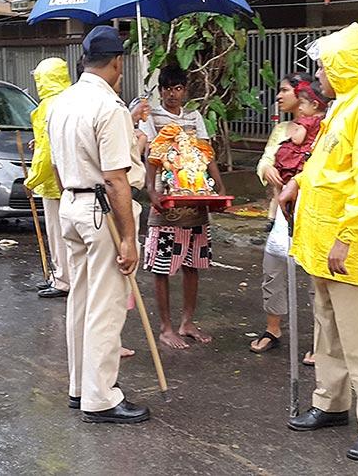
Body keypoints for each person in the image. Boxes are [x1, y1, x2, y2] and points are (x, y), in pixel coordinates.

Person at [279, 22, 358, 461]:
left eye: (325, 67)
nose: (319, 76)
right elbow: (329, 166)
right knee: (327, 331)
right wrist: (298, 182)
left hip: (349, 247)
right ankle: (330, 403)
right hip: (322, 243)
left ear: (342, 67)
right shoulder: (345, 108)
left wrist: (347, 238)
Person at [47, 25, 150, 424]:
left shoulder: (62, 102)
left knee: (81, 300)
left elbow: (56, 165)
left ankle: (80, 388)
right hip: (101, 209)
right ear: (117, 63)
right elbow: (116, 177)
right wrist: (128, 237)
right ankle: (101, 397)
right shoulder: (109, 108)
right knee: (105, 308)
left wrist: (74, 197)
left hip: (72, 203)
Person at [141, 64, 226, 350]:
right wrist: (150, 189)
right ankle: (165, 327)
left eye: (177, 88)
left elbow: (206, 152)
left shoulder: (194, 116)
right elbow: (150, 154)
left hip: (196, 198)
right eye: (167, 88)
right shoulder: (150, 115)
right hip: (166, 202)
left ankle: (187, 322)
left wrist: (220, 186)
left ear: (185, 91)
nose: (172, 94)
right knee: (162, 267)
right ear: (161, 90)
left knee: (193, 265)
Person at [250, 73, 322, 359]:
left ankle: (322, 341)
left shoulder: (323, 129)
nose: (278, 96)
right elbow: (266, 158)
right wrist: (266, 169)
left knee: (317, 277)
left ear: (304, 97)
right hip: (281, 212)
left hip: (313, 211)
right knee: (273, 267)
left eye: (284, 91)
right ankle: (273, 329)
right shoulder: (281, 129)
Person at [25, 58, 72, 298]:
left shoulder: (48, 106)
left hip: (54, 183)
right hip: (73, 179)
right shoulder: (72, 100)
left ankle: (62, 280)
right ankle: (64, 276)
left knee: (57, 233)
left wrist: (31, 180)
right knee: (71, 234)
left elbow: (46, 151)